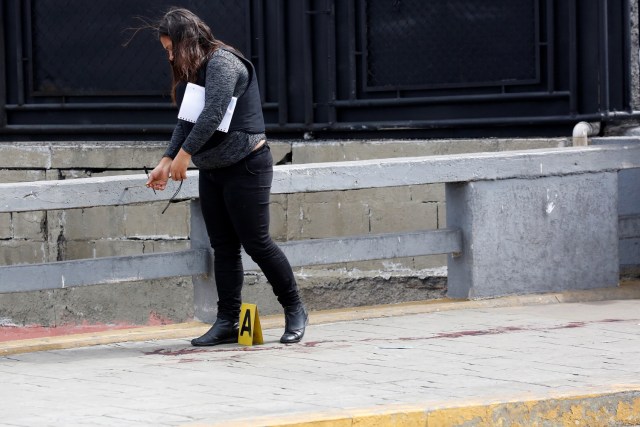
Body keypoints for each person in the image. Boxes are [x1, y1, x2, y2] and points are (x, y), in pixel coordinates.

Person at [146, 8, 308, 345]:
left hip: (246, 165)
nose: (170, 56)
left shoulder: (223, 63)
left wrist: (185, 157)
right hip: (214, 171)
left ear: (185, 41)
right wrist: (166, 159)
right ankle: (228, 322)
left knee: (257, 243)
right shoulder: (195, 69)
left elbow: (213, 113)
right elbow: (187, 120)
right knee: (224, 248)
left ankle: (295, 309)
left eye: (171, 48)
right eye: (166, 51)